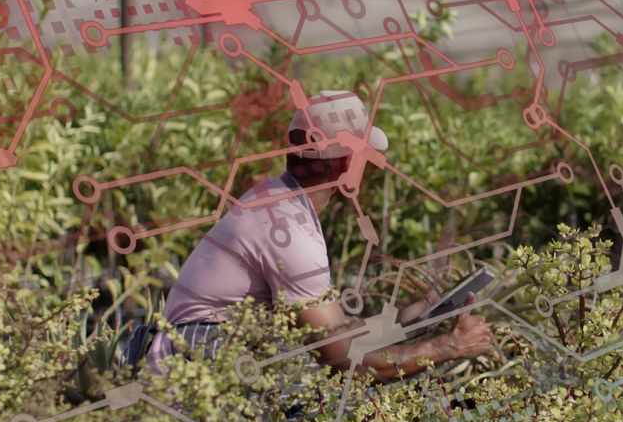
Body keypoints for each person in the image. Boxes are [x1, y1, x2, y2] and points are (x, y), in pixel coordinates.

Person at [129, 90, 494, 379]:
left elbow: (330, 333)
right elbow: (347, 362)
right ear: (347, 162)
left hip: (193, 364)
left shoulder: (275, 200)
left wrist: (412, 317)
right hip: (195, 375)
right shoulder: (291, 233)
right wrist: (449, 346)